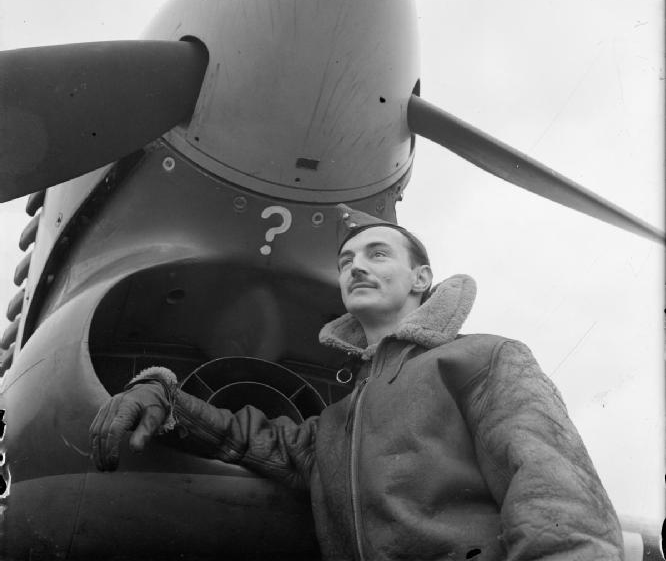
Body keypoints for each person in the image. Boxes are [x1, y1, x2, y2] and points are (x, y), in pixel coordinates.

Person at [90, 204, 624, 560]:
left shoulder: (485, 358)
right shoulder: (336, 422)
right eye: (346, 261)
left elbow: (557, 500)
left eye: (377, 254)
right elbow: (244, 436)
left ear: (421, 279)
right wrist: (161, 392)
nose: (355, 267)